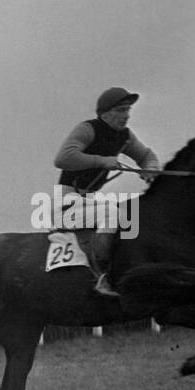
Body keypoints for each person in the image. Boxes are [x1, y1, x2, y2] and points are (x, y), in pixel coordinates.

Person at [54, 87, 161, 297]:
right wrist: (102, 161)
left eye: (128, 110)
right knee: (114, 214)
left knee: (133, 216)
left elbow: (147, 155)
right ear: (104, 113)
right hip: (68, 203)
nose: (126, 115)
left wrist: (151, 170)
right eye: (121, 110)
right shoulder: (87, 129)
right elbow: (62, 158)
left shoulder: (125, 136)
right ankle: (104, 276)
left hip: (90, 201)